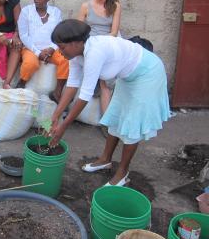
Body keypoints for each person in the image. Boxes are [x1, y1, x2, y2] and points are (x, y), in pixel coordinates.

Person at [48, 19, 170, 186]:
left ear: (76, 43)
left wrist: (63, 126)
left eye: (62, 47)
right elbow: (72, 85)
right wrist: (56, 115)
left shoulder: (94, 52)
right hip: (128, 77)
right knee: (116, 116)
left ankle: (122, 173)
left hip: (147, 74)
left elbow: (85, 95)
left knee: (131, 124)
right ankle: (105, 159)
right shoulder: (75, 54)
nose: (59, 51)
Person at [77, 0, 122, 115]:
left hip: (107, 43)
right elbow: (78, 29)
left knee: (105, 83)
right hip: (90, 44)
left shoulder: (115, 6)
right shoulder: (86, 6)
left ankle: (106, 122)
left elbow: (114, 32)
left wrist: (99, 45)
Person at [17, 0, 68, 102]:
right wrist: (38, 53)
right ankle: (21, 83)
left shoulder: (56, 12)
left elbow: (59, 33)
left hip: (51, 49)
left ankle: (57, 92)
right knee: (31, 63)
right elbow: (23, 35)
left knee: (65, 59)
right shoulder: (26, 11)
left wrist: (51, 48)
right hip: (31, 48)